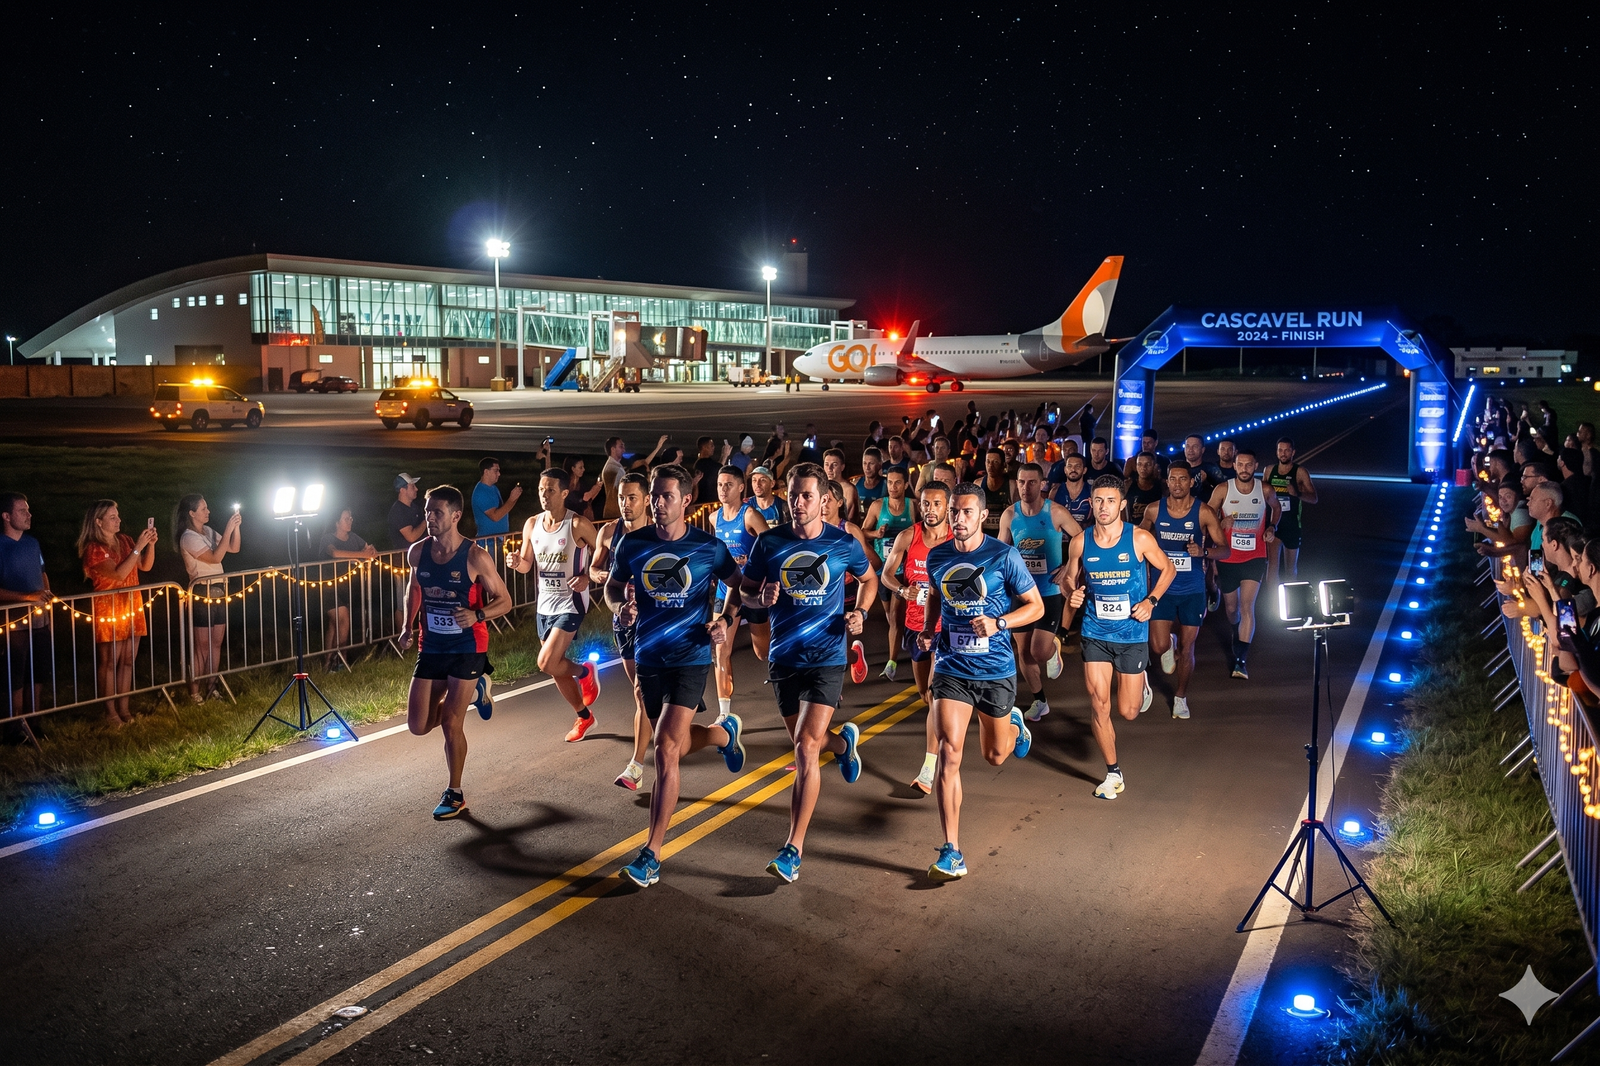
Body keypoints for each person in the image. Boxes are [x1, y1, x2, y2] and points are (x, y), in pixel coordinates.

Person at [607, 465, 746, 888]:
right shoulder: (633, 543)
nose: (658, 502)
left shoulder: (707, 547)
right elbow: (613, 587)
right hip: (649, 658)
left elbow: (738, 584)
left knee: (665, 748)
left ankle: (651, 853)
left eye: (667, 495)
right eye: (654, 495)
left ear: (686, 500)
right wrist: (620, 607)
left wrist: (725, 617)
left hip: (690, 656)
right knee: (681, 743)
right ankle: (724, 735)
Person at [740, 463, 878, 883]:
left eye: (806, 496)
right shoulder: (769, 542)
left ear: (824, 501)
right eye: (793, 496)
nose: (797, 504)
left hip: (827, 657)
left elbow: (869, 580)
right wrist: (759, 595)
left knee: (803, 748)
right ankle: (842, 744)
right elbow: (745, 588)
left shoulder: (842, 542)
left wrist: (861, 612)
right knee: (808, 743)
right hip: (784, 657)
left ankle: (792, 848)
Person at [916, 483, 1045, 880]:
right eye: (954, 511)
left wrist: (999, 622)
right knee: (949, 753)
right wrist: (928, 629)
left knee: (995, 756)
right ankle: (951, 849)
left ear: (983, 516)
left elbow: (1035, 606)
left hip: (996, 669)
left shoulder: (1003, 556)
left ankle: (1013, 726)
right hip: (953, 667)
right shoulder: (937, 556)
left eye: (967, 512)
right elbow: (937, 595)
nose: (958, 519)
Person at [398, 485, 514, 819]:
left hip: (468, 645)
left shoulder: (476, 557)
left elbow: (504, 601)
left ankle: (455, 791)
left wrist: (477, 614)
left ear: (456, 516)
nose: (429, 518)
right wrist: (408, 627)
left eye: (436, 512)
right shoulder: (417, 553)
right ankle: (477, 690)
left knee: (451, 721)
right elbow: (414, 589)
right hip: (432, 645)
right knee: (418, 725)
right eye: (427, 512)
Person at [1061, 476, 1176, 799]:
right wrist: (1072, 594)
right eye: (1098, 501)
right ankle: (1113, 773)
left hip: (1131, 632)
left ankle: (1141, 683)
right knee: (1099, 705)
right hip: (1095, 631)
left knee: (1128, 710)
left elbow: (1168, 569)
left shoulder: (1138, 539)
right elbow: (1068, 579)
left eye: (1111, 501)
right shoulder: (1081, 542)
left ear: (1122, 505)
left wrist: (1151, 601)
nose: (1104, 507)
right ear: (1091, 504)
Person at [506, 469, 602, 741]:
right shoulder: (532, 524)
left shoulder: (578, 525)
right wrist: (517, 563)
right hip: (544, 606)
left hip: (570, 603)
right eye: (540, 490)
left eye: (550, 490)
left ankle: (585, 671)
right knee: (555, 667)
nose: (544, 495)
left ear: (564, 493)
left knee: (546, 662)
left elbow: (605, 555)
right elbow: (526, 565)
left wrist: (587, 578)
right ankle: (585, 718)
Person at [880, 481, 953, 793]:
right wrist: (901, 589)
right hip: (916, 628)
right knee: (926, 694)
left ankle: (928, 767)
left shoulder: (956, 539)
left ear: (948, 507)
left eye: (937, 504)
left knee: (937, 696)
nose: (930, 509)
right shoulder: (908, 536)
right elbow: (885, 573)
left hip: (946, 629)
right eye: (926, 503)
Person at [1140, 462, 1226, 719]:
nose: (1177, 484)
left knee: (1188, 649)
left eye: (1182, 479)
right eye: (1172, 479)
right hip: (1162, 589)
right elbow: (1135, 538)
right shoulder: (1154, 510)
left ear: (1191, 482)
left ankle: (1180, 697)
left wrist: (1204, 552)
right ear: (1166, 482)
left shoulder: (1204, 512)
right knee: (1157, 647)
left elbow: (1225, 549)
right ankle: (1169, 643)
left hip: (1192, 590)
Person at [1001, 463, 1083, 721]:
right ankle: (1040, 701)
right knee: (1023, 652)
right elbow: (1001, 552)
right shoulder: (1009, 515)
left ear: (1042, 483)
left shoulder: (1056, 512)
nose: (1026, 488)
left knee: (1038, 651)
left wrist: (1069, 568)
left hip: (1048, 592)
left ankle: (1054, 646)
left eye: (1032, 482)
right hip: (1021, 594)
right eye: (1022, 482)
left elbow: (1081, 540)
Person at [590, 473, 656, 791]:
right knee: (641, 693)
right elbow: (592, 568)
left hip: (656, 622)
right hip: (624, 620)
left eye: (632, 497)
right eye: (621, 498)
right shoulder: (609, 532)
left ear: (646, 499)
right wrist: (602, 575)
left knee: (643, 692)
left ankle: (636, 766)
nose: (625, 504)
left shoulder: (660, 533)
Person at [78, 500, 157, 728]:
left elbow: (145, 566)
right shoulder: (94, 548)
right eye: (113, 517)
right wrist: (137, 548)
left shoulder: (125, 540)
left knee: (128, 661)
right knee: (110, 661)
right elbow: (118, 574)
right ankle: (110, 711)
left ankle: (124, 709)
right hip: (109, 608)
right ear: (98, 522)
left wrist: (149, 545)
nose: (119, 520)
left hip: (132, 605)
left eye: (118, 515)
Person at [1207, 446, 1280, 679]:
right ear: (1234, 466)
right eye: (1240, 464)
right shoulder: (1222, 490)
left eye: (1249, 465)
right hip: (1228, 557)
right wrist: (1220, 523)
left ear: (1256, 466)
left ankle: (1240, 659)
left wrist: (1271, 526)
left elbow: (1276, 508)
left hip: (1254, 557)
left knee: (1248, 607)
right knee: (1232, 609)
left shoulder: (1265, 489)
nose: (1245, 469)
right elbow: (1206, 517)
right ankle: (1235, 630)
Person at [711, 465, 771, 718]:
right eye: (719, 484)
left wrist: (752, 563)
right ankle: (724, 714)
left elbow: (772, 547)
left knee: (762, 652)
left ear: (740, 488)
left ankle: (793, 673)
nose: (723, 489)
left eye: (728, 485)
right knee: (720, 649)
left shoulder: (750, 516)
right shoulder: (714, 518)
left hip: (752, 591)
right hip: (727, 592)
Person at [174, 494, 242, 702]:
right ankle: (195, 692)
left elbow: (234, 548)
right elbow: (215, 557)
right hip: (201, 592)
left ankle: (212, 688)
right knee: (201, 646)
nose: (208, 511)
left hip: (219, 590)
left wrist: (236, 526)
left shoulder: (209, 532)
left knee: (216, 643)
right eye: (203, 508)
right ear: (192, 513)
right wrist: (229, 528)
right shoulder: (188, 537)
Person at [0, 492, 50, 732]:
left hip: (40, 618)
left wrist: (46, 592)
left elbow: (41, 571)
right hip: (13, 620)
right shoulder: (1, 546)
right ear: (6, 516)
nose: (29, 515)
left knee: (38, 669)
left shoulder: (33, 543)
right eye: (22, 511)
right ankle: (14, 726)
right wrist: (25, 597)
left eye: (28, 510)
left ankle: (35, 722)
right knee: (14, 671)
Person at [863, 467, 916, 677]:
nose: (893, 487)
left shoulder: (912, 507)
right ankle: (899, 636)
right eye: (890, 482)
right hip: (883, 569)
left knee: (895, 615)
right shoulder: (878, 506)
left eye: (897, 483)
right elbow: (862, 532)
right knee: (889, 615)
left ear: (905, 485)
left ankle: (891, 663)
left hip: (904, 571)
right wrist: (876, 533)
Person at [321, 506, 378, 668]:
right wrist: (362, 555)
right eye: (346, 518)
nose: (350, 521)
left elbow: (369, 550)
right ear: (337, 522)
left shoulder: (354, 537)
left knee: (334, 625)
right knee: (343, 621)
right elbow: (334, 553)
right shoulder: (327, 538)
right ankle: (340, 662)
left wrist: (370, 550)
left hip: (346, 587)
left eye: (351, 518)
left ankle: (327, 665)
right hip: (328, 586)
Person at [1264, 437, 1318, 586]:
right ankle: (1272, 600)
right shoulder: (1269, 470)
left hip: (1292, 526)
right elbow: (1263, 496)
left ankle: (1290, 599)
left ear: (1293, 452)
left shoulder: (1300, 472)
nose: (1283, 453)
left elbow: (1314, 498)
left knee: (1290, 568)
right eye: (1280, 450)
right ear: (1276, 452)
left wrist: (1297, 494)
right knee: (1272, 565)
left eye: (1287, 450)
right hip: (1274, 524)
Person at [601, 434, 670, 519]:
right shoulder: (612, 468)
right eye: (621, 446)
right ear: (613, 449)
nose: (624, 449)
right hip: (614, 513)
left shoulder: (617, 466)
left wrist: (658, 447)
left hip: (615, 512)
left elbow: (643, 462)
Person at [472, 457, 523, 545]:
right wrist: (511, 499)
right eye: (496, 470)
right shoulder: (481, 492)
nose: (499, 474)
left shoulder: (493, 488)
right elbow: (495, 516)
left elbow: (504, 510)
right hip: (488, 543)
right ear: (486, 472)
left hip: (498, 541)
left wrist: (515, 498)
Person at [388, 473, 426, 550]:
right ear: (402, 490)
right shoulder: (398, 511)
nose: (416, 489)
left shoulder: (415, 506)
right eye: (412, 486)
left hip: (418, 553)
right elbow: (411, 537)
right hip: (404, 557)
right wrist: (427, 520)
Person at [1125, 452, 1165, 524]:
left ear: (1154, 466)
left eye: (1148, 464)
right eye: (1139, 464)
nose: (1143, 468)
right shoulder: (1128, 486)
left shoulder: (1162, 487)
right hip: (1132, 529)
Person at [979, 448, 1011, 536]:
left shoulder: (1011, 485)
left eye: (995, 462)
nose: (990, 466)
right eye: (988, 462)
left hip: (1005, 536)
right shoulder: (978, 484)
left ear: (1003, 465)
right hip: (984, 536)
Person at [562, 455, 603, 520]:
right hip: (568, 519)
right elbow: (579, 504)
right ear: (573, 469)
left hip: (582, 519)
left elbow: (588, 501)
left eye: (583, 467)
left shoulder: (583, 484)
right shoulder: (564, 485)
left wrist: (596, 491)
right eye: (580, 467)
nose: (584, 469)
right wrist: (591, 493)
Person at [822, 448, 859, 522]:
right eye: (826, 464)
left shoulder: (848, 489)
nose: (829, 468)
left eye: (834, 465)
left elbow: (847, 516)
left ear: (842, 467)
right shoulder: (821, 486)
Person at [853, 447, 887, 517]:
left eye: (871, 463)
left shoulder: (887, 485)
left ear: (879, 464)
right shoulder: (855, 484)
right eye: (864, 463)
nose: (867, 468)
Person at [692, 437, 723, 506]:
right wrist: (725, 455)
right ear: (704, 447)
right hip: (707, 503)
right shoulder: (704, 465)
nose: (714, 447)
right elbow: (720, 469)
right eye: (711, 446)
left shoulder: (698, 463)